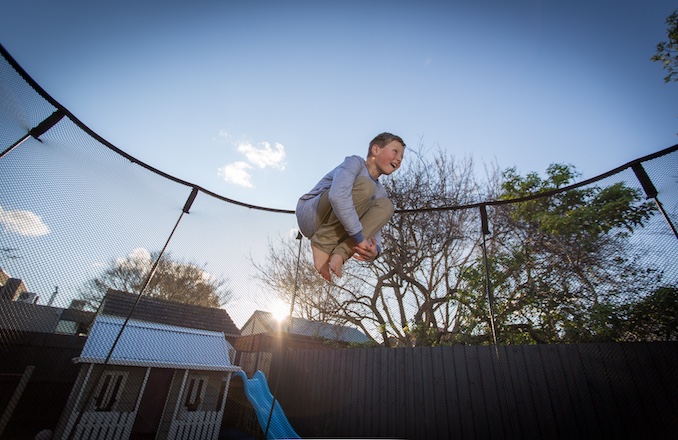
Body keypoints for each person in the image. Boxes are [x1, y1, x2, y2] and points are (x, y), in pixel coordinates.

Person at [296, 132, 406, 281]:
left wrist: (376, 250)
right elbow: (337, 196)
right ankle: (322, 244)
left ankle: (341, 253)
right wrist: (360, 239)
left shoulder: (380, 192)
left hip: (338, 227)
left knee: (386, 206)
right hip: (312, 214)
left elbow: (375, 228)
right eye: (395, 151)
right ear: (375, 150)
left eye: (402, 157)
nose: (399, 159)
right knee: (366, 186)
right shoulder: (355, 163)